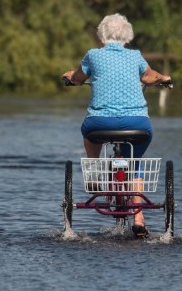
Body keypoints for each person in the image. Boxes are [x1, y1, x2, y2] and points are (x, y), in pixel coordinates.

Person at [62, 13, 171, 238]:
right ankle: (139, 216)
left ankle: (93, 173)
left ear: (102, 35)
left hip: (99, 123)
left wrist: (69, 76)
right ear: (127, 35)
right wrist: (164, 78)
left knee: (88, 133)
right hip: (136, 123)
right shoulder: (136, 56)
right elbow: (150, 77)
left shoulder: (93, 55)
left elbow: (79, 78)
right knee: (136, 161)